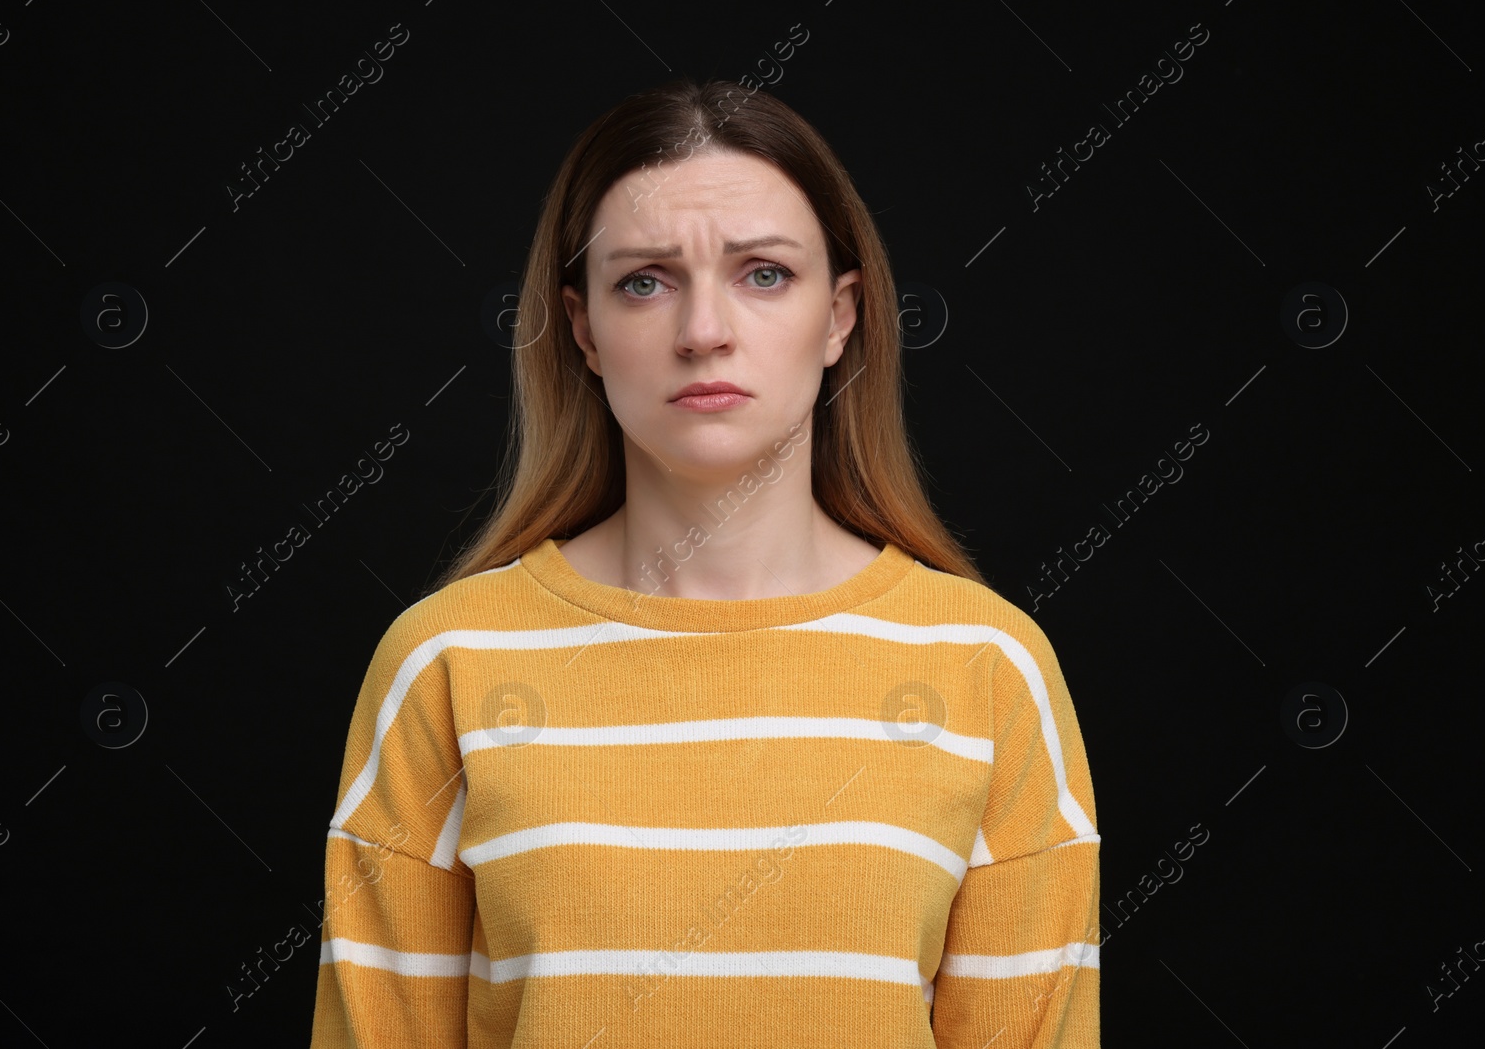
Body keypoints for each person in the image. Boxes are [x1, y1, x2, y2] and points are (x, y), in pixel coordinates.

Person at [308, 77, 1100, 1048]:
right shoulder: (444, 664)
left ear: (841, 314)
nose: (704, 331)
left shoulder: (988, 666)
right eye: (645, 279)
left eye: (763, 271)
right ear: (585, 328)